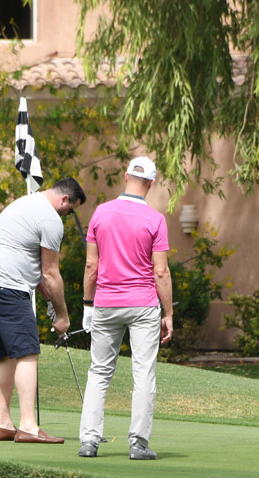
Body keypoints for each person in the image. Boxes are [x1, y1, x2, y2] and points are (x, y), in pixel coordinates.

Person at [0, 176, 86, 444]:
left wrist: (37, 283)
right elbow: (51, 273)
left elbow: (20, 251)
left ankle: (3, 424)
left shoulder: (24, 203)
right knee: (27, 353)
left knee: (5, 356)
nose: (68, 216)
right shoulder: (50, 219)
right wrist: (63, 316)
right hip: (6, 287)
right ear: (64, 199)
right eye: (70, 211)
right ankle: (29, 427)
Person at [77, 157, 173, 460]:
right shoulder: (155, 219)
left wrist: (87, 304)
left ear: (125, 176)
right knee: (143, 373)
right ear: (151, 183)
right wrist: (168, 314)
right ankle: (138, 444)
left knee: (100, 371)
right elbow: (161, 273)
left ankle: (89, 441)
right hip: (143, 304)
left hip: (105, 302)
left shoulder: (100, 213)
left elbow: (91, 264)